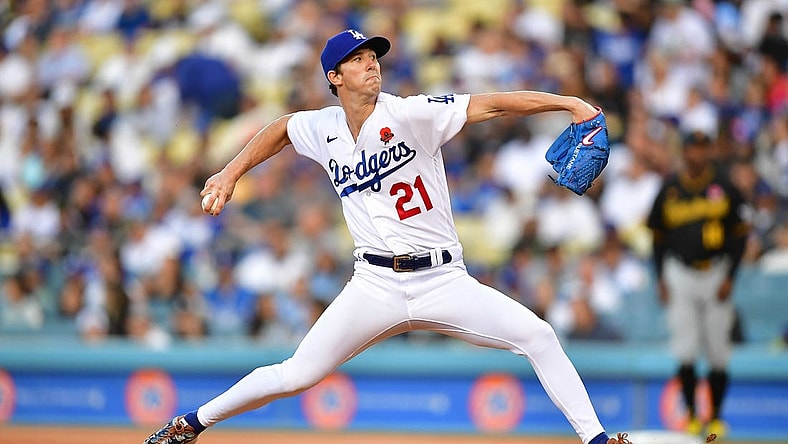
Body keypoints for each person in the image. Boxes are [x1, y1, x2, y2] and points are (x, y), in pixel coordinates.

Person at [144, 29, 630, 444]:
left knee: (538, 336)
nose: (371, 65)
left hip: (442, 280)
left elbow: (494, 104)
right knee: (297, 375)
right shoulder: (324, 127)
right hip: (373, 284)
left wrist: (568, 103)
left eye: (373, 57)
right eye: (357, 60)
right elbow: (281, 129)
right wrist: (231, 172)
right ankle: (189, 424)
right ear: (334, 78)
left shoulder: (411, 113)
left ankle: (598, 439)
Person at [646, 130, 750, 439]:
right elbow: (657, 238)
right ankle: (692, 415)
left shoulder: (724, 186)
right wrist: (660, 277)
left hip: (716, 272)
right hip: (680, 272)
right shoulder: (670, 188)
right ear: (685, 151)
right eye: (694, 148)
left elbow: (740, 234)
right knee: (686, 349)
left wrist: (731, 275)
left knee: (719, 352)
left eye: (704, 148)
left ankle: (716, 417)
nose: (698, 154)